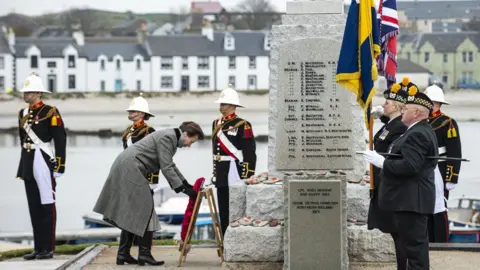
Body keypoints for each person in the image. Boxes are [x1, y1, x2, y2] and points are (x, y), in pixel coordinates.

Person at [93, 121, 204, 266]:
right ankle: (144, 255)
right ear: (185, 134)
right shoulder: (168, 138)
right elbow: (167, 167)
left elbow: (171, 165)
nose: (189, 145)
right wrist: (184, 190)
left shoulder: (171, 137)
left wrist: (186, 184)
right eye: (191, 141)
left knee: (133, 212)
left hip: (129, 166)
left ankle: (123, 254)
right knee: (146, 209)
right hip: (131, 168)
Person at [363, 85, 438, 270]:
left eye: (406, 108)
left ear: (417, 113)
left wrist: (381, 162)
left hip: (411, 201)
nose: (402, 110)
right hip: (409, 200)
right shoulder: (416, 130)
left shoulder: (418, 133)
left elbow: (410, 166)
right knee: (412, 248)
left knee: (414, 252)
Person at [16, 73, 67, 260]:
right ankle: (38, 247)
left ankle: (48, 248)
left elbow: (60, 139)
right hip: (28, 161)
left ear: (38, 92)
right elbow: (23, 140)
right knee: (34, 206)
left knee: (47, 204)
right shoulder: (22, 113)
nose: (25, 95)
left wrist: (60, 166)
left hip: (43, 160)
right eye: (24, 92)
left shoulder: (50, 111)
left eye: (29, 92)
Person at [117, 94, 161, 265]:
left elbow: (155, 157)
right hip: (130, 177)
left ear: (142, 114)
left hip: (143, 178)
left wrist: (153, 179)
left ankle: (135, 253)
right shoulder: (129, 131)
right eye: (131, 110)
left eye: (134, 111)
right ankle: (128, 254)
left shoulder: (149, 132)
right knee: (132, 216)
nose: (131, 112)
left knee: (145, 216)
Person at [367, 82, 408, 270]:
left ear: (398, 106)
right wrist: (381, 116)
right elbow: (387, 130)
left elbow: (390, 150)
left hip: (388, 182)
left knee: (397, 231)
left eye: (387, 103)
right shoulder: (391, 124)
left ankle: (403, 266)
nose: (384, 105)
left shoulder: (399, 127)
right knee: (392, 230)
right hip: (381, 181)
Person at [211, 85, 257, 236]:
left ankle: (238, 238)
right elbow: (215, 151)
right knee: (223, 209)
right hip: (222, 171)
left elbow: (249, 152)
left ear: (233, 105)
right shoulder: (215, 124)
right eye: (221, 103)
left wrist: (248, 174)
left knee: (237, 207)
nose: (221, 107)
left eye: (224, 104)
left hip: (235, 170)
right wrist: (215, 171)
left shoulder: (243, 124)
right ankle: (225, 239)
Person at [424, 83, 462, 243]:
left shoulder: (448, 122)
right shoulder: (420, 120)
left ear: (437, 104)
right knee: (424, 207)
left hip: (440, 168)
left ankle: (440, 242)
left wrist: (451, 178)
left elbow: (455, 152)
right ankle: (427, 241)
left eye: (430, 102)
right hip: (423, 168)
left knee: (439, 209)